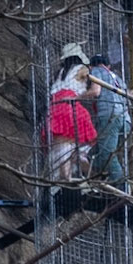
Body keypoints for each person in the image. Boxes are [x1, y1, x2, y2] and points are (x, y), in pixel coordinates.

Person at [43, 45, 98, 181]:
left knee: (63, 147)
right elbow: (94, 89)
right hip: (72, 107)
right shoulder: (82, 69)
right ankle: (91, 178)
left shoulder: (59, 74)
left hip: (55, 109)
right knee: (77, 148)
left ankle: (66, 177)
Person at [86, 56, 130, 188]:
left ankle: (121, 186)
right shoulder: (118, 79)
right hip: (126, 120)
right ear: (108, 65)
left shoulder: (97, 71)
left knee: (107, 154)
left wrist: (77, 97)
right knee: (95, 155)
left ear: (90, 66)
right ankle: (104, 182)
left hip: (110, 116)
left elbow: (95, 91)